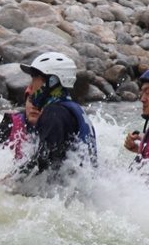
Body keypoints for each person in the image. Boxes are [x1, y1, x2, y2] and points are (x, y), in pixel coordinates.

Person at [9, 51, 97, 186]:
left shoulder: (54, 114)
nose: (31, 86)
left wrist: (12, 180)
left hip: (65, 194)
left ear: (52, 81)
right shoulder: (71, 109)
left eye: (35, 78)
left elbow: (44, 158)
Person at [0, 85, 39, 157]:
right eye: (31, 99)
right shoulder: (6, 128)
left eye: (42, 101)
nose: (34, 106)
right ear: (26, 102)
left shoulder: (50, 131)